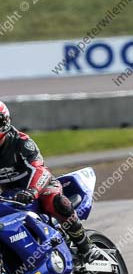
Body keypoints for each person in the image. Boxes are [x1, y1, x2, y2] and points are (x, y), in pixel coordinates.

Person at [0, 102, 100, 263]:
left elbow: (40, 169)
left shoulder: (21, 142)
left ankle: (86, 248)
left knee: (55, 201)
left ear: (6, 121)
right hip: (10, 195)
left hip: (39, 186)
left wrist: (32, 191)